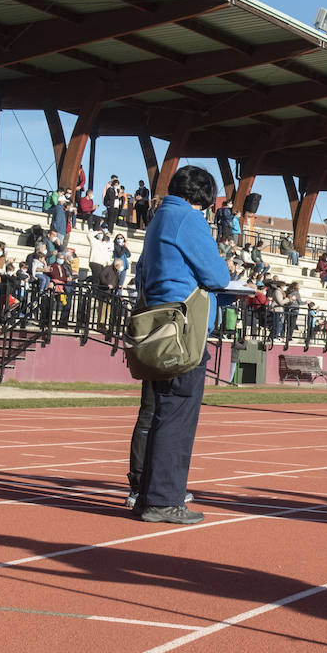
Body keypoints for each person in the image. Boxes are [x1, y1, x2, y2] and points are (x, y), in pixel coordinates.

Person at [130, 165, 230, 525]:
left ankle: (148, 494)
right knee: (178, 413)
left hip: (157, 322)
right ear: (200, 197)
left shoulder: (158, 218)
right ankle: (164, 499)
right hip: (184, 327)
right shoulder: (189, 219)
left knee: (159, 412)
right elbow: (218, 275)